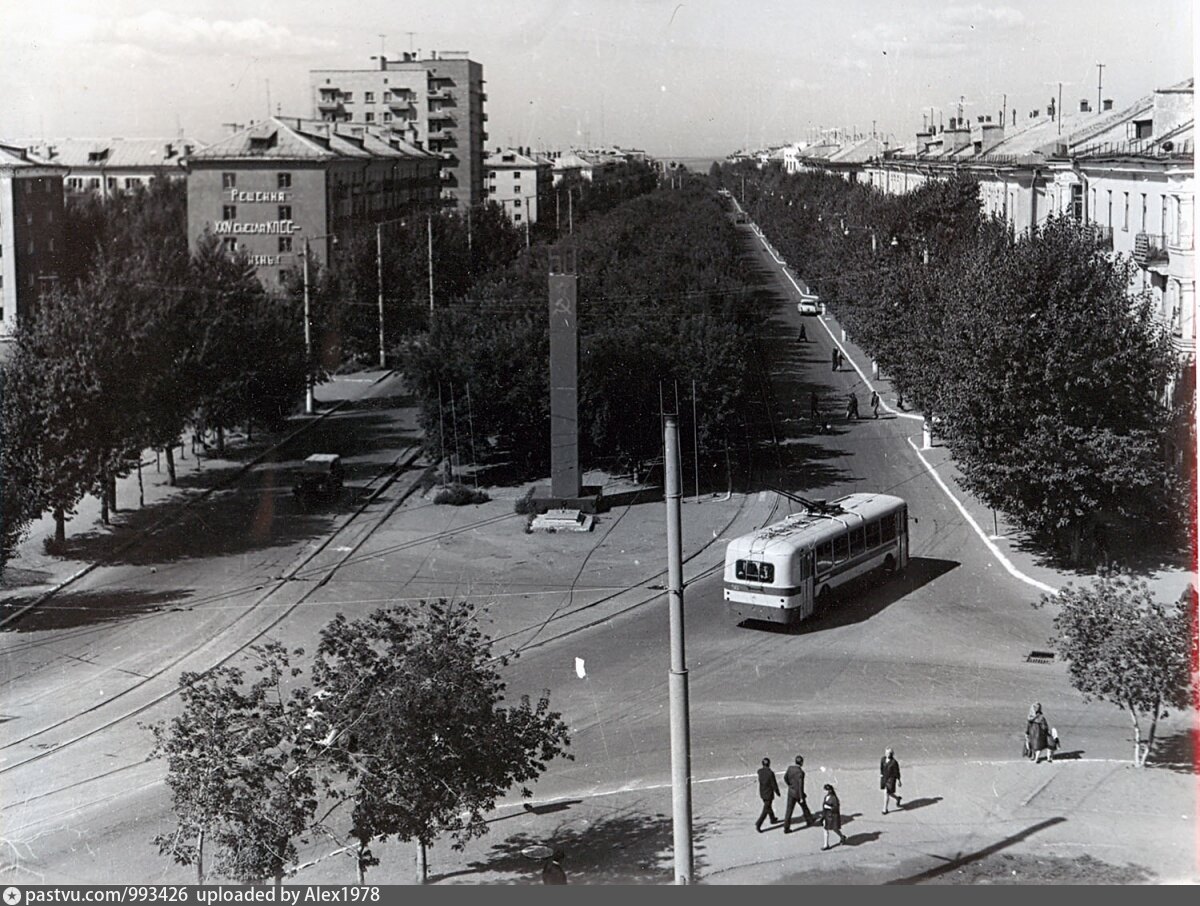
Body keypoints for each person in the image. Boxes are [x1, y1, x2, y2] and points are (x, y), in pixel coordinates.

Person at [783, 755, 816, 832]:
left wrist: (790, 785)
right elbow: (801, 786)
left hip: (791, 792)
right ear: (801, 763)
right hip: (798, 794)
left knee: (789, 811)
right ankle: (809, 820)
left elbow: (785, 778)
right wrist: (801, 797)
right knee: (804, 807)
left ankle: (786, 827)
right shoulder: (801, 772)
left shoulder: (790, 768)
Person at [755, 757, 780, 832]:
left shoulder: (759, 771)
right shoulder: (770, 773)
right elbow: (774, 784)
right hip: (768, 794)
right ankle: (758, 823)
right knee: (766, 809)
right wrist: (777, 792)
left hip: (762, 793)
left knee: (768, 806)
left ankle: (772, 818)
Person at [821, 784, 847, 850]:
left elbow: (836, 808)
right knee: (826, 829)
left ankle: (841, 837)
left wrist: (828, 807)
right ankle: (826, 845)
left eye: (826, 790)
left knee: (834, 829)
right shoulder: (826, 797)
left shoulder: (834, 798)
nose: (825, 792)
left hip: (832, 817)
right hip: (827, 816)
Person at [880, 748, 902, 813]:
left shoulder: (894, 762)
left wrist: (899, 780)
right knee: (889, 793)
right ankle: (897, 798)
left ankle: (885, 809)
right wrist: (881, 774)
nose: (887, 754)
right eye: (886, 753)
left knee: (886, 792)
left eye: (889, 753)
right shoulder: (883, 759)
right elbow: (881, 767)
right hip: (884, 778)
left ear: (892, 754)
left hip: (891, 779)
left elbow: (897, 772)